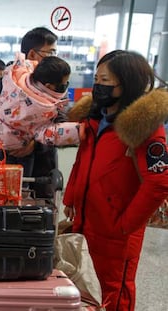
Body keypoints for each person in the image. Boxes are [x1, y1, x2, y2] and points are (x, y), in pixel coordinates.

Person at [63, 50, 168, 311]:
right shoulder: (95, 118)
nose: (98, 85)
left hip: (117, 233)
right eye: (96, 78)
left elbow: (160, 182)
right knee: (85, 290)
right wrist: (71, 197)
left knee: (112, 293)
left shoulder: (143, 127)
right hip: (85, 223)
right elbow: (82, 160)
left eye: (106, 80)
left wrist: (125, 224)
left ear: (127, 82)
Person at [0, 26, 60, 197]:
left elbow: (60, 128)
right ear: (33, 55)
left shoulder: (54, 88)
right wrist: (2, 144)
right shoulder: (3, 85)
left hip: (41, 176)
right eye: (51, 53)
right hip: (2, 173)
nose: (54, 59)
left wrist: (35, 145)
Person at [0, 54, 80, 152]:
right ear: (49, 86)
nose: (65, 88)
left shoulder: (14, 78)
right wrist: (79, 131)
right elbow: (48, 133)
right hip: (14, 150)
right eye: (63, 86)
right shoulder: (40, 108)